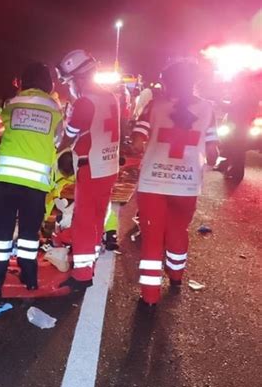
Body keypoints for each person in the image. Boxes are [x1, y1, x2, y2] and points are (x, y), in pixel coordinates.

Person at [131, 59, 219, 311]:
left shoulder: (155, 105)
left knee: (152, 237)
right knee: (178, 230)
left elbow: (138, 141)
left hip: (153, 183)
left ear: (168, 83)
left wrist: (143, 144)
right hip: (187, 184)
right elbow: (213, 152)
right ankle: (176, 277)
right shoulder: (208, 108)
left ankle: (149, 297)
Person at [0, 62, 63, 300]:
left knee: (0, 234)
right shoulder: (55, 107)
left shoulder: (11, 103)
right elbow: (57, 139)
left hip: (6, 180)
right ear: (49, 82)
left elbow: (5, 127)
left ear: (23, 80)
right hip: (36, 184)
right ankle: (30, 278)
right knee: (29, 232)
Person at [56, 49, 120, 291]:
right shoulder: (110, 97)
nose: (70, 86)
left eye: (70, 81)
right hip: (109, 166)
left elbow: (67, 138)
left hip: (91, 166)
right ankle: (89, 262)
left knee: (84, 220)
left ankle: (82, 275)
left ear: (79, 78)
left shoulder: (85, 102)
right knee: (96, 218)